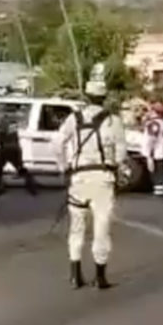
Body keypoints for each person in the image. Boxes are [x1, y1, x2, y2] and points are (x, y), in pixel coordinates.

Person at [54, 79, 126, 290]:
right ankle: (100, 276)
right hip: (102, 179)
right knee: (101, 227)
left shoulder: (73, 119)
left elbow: (56, 144)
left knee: (77, 227)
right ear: (105, 98)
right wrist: (117, 168)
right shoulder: (113, 121)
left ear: (86, 97)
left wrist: (64, 167)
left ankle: (75, 275)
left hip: (79, 178)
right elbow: (121, 153)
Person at [0, 108, 37, 195]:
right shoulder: (13, 124)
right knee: (20, 168)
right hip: (14, 148)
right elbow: (15, 138)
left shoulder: (1, 124)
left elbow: (0, 139)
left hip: (4, 149)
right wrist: (19, 153)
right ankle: (32, 185)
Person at [143, 101, 163, 200]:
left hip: (156, 152)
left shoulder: (153, 124)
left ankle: (159, 189)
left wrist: (148, 153)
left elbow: (150, 139)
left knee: (157, 171)